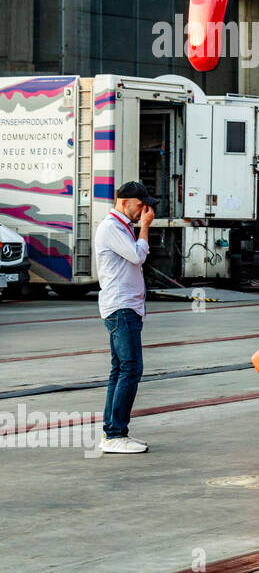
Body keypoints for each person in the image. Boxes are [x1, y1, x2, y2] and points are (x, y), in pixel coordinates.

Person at [95, 182, 159, 454]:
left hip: (125, 308)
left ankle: (113, 432)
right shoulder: (111, 227)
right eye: (140, 205)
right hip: (121, 309)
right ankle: (115, 434)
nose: (143, 210)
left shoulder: (121, 228)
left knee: (120, 369)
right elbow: (137, 256)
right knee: (131, 368)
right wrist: (145, 227)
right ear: (123, 201)